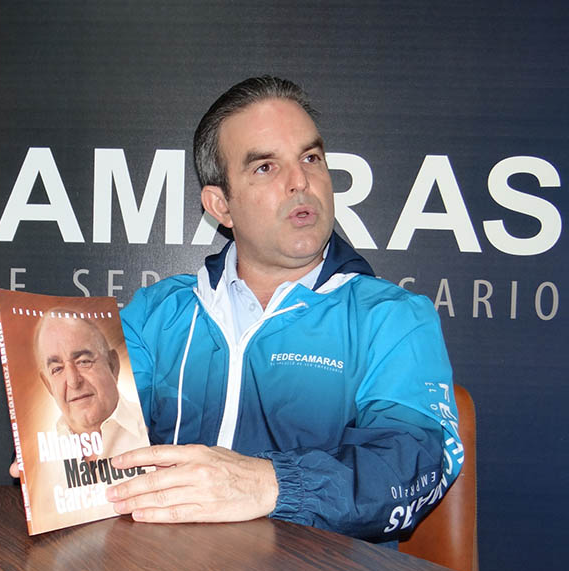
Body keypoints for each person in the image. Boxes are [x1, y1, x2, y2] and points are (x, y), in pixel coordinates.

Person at [103, 76, 463, 543]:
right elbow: (101, 429)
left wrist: (270, 484)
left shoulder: (393, 318)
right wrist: (59, 458)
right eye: (266, 167)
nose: (301, 182)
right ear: (220, 205)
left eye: (310, 158)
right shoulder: (155, 314)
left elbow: (411, 463)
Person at [33, 313, 148, 459]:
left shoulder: (154, 431)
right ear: (49, 385)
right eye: (57, 369)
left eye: (83, 361)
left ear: (113, 365)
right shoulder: (37, 458)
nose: (73, 382)